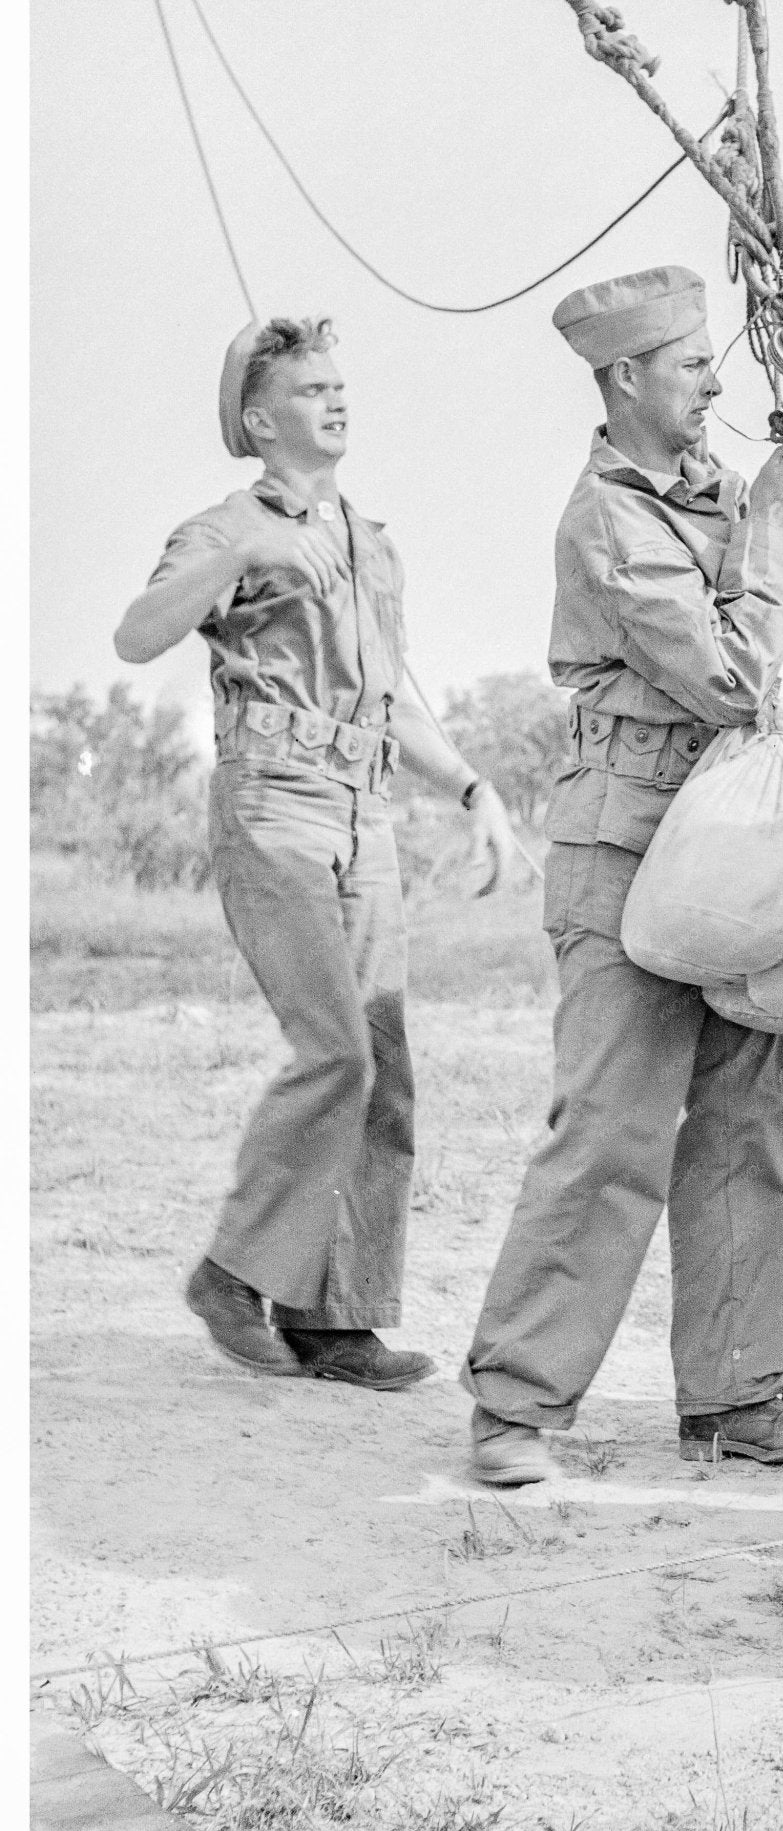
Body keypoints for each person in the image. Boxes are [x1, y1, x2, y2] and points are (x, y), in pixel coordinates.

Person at [458, 265, 783, 1485]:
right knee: (613, 1129)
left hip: (719, 849)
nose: (713, 384)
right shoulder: (608, 519)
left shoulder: (708, 494)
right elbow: (738, 674)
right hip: (625, 854)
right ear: (624, 377)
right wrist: (770, 527)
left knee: (749, 1118)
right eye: (690, 366)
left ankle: (738, 1397)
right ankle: (515, 1408)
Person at [115, 316, 520, 1390]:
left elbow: (395, 698)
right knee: (334, 1046)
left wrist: (474, 787)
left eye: (340, 385)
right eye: (308, 389)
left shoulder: (369, 540)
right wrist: (241, 552)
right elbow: (138, 635)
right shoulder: (223, 525)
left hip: (365, 809)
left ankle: (336, 1315)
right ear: (259, 419)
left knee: (382, 1062)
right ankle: (231, 1271)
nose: (336, 402)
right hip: (273, 801)